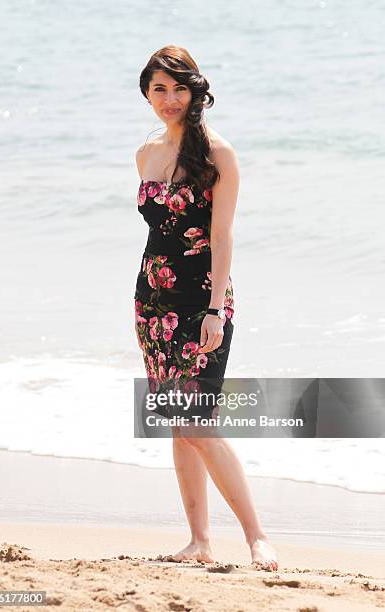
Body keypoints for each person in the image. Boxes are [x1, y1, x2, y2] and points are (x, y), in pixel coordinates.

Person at [134, 45, 278, 571]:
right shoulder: (146, 153)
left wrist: (215, 308)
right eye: (159, 89)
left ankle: (258, 536)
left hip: (202, 303)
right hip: (152, 302)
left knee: (198, 422)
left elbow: (221, 237)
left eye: (178, 88)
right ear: (147, 94)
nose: (169, 99)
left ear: (195, 91)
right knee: (176, 421)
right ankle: (198, 540)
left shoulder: (220, 154)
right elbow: (159, 231)